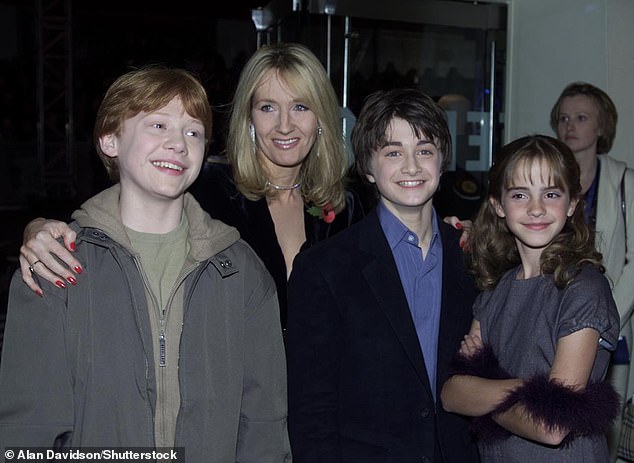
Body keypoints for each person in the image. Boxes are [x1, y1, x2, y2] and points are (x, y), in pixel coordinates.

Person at [0, 66, 290, 460]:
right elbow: (28, 433)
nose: (178, 144)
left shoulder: (241, 272)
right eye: (157, 125)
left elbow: (264, 429)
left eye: (193, 132)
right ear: (109, 140)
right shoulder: (54, 265)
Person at [16, 42, 365, 329]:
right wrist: (39, 227)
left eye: (301, 107)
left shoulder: (348, 207)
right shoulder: (209, 189)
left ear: (321, 118)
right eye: (268, 107)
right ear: (249, 119)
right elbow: (121, 214)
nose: (285, 125)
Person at [286, 88, 480, 462]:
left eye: (425, 150)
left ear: (442, 162)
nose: (411, 166)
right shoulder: (325, 269)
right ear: (367, 168)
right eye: (393, 152)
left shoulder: (473, 257)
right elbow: (312, 410)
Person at [440, 135, 621, 462]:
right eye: (520, 194)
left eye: (551, 194)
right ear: (498, 205)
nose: (536, 208)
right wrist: (529, 390)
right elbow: (452, 394)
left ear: (571, 204)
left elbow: (551, 426)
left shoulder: (583, 288)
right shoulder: (495, 291)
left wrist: (482, 393)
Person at [550, 82, 634, 460]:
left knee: (604, 432)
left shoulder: (624, 182)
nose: (570, 125)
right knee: (556, 422)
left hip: (612, 329)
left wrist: (604, 314)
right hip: (553, 320)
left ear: (602, 127)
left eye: (581, 118)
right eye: (564, 118)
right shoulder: (548, 181)